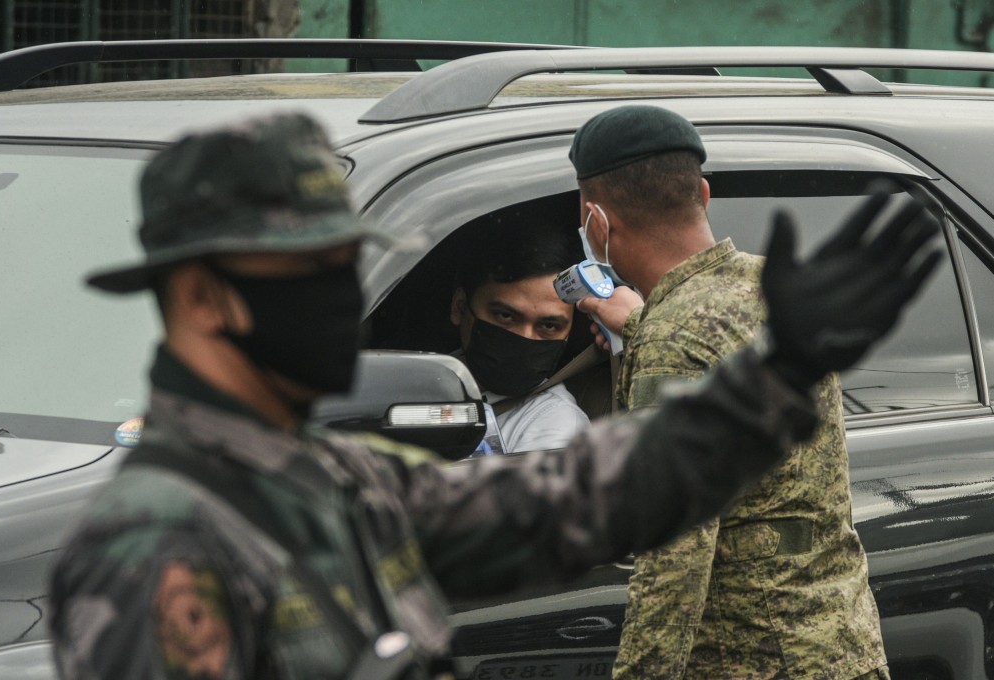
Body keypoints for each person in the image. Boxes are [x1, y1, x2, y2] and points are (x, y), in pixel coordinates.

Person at [49, 111, 939, 680]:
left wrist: (771, 379)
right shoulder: (158, 538)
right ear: (206, 301)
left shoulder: (342, 481)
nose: (337, 300)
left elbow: (580, 502)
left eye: (340, 268)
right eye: (305, 278)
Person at [571, 105, 919, 679]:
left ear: (597, 223)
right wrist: (642, 323)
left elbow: (673, 563)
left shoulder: (675, 341)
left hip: (755, 663)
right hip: (843, 648)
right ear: (702, 194)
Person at [450, 220, 589, 454]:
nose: (525, 337)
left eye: (548, 325)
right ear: (460, 307)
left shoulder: (556, 425)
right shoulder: (430, 379)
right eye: (506, 316)